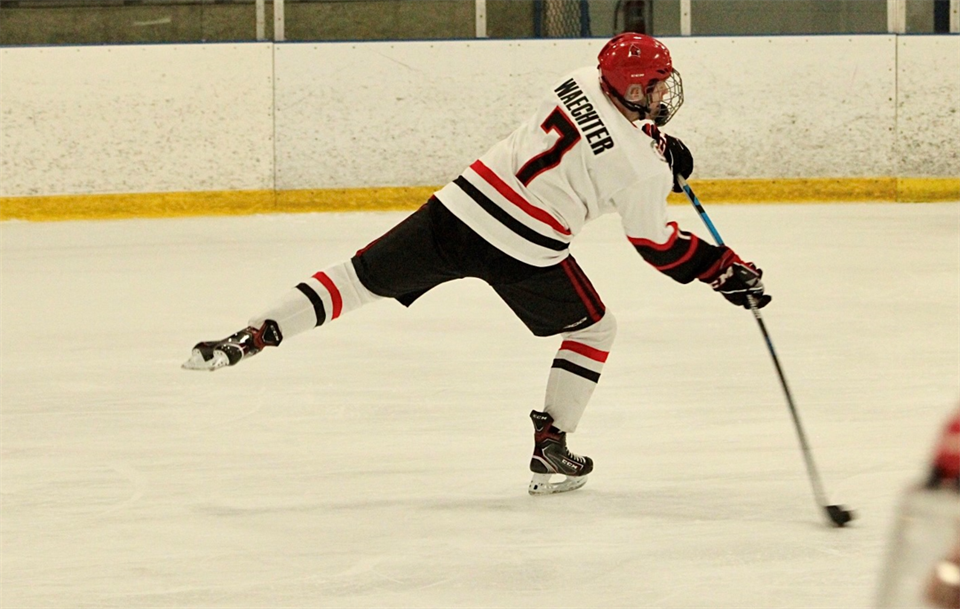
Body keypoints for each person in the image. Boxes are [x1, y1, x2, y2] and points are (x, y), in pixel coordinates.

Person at [182, 33, 771, 495]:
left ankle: (253, 334)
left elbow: (604, 135)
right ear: (635, 90)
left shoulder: (577, 81)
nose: (664, 96)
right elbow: (657, 244)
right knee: (595, 329)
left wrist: (654, 143)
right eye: (656, 86)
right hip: (525, 251)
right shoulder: (638, 169)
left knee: (357, 279)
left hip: (459, 210)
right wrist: (723, 269)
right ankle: (551, 445)